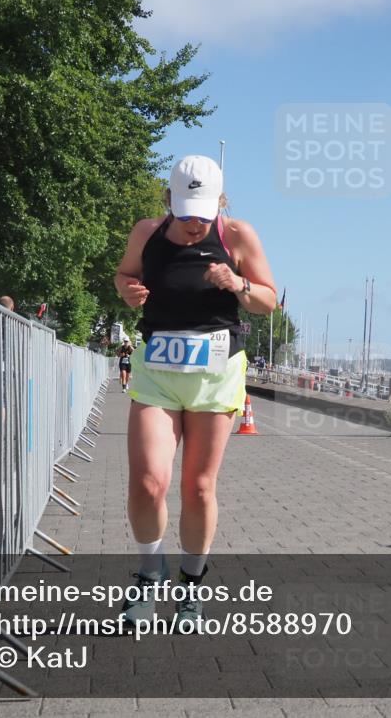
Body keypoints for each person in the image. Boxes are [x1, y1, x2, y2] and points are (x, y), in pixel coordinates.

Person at [114, 154, 276, 630]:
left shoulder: (238, 235)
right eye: (184, 214)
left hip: (216, 371)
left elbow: (268, 299)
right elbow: (124, 274)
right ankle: (149, 574)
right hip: (157, 372)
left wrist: (239, 282)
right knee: (147, 483)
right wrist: (128, 291)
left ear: (219, 204)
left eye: (202, 216)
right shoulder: (147, 232)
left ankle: (191, 586)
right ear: (170, 201)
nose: (192, 225)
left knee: (198, 487)